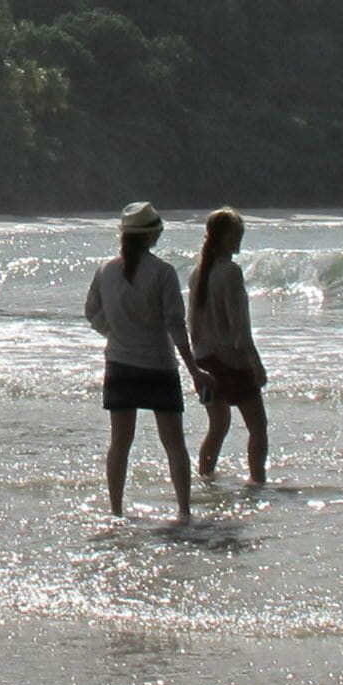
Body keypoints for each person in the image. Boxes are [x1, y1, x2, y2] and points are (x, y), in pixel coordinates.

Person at [83, 201, 193, 519]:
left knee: (120, 443)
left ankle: (116, 510)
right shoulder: (163, 272)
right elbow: (175, 325)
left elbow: (92, 312)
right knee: (173, 443)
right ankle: (183, 510)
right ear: (152, 234)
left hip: (119, 363)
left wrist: (116, 333)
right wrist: (194, 369)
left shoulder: (106, 269)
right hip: (158, 365)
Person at [189, 207, 269, 483]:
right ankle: (257, 481)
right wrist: (255, 364)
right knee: (258, 427)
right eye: (237, 235)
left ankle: (205, 479)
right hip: (230, 361)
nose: (240, 241)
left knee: (218, 426)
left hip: (205, 361)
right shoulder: (230, 272)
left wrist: (196, 365)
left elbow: (193, 326)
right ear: (224, 237)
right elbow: (239, 328)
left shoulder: (197, 273)